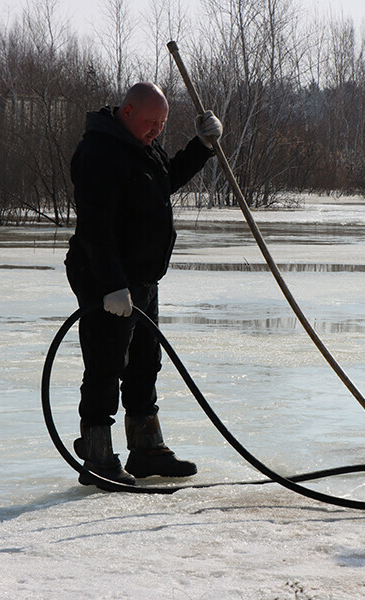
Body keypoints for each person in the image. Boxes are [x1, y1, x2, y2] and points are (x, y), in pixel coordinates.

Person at [65, 82, 223, 486]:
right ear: (128, 112)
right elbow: (95, 229)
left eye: (163, 124)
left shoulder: (141, 146)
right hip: (106, 278)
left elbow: (164, 179)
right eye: (151, 122)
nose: (157, 130)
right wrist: (112, 285)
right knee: (105, 363)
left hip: (142, 278)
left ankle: (146, 449)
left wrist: (202, 146)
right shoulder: (99, 152)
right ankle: (98, 456)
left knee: (143, 363)